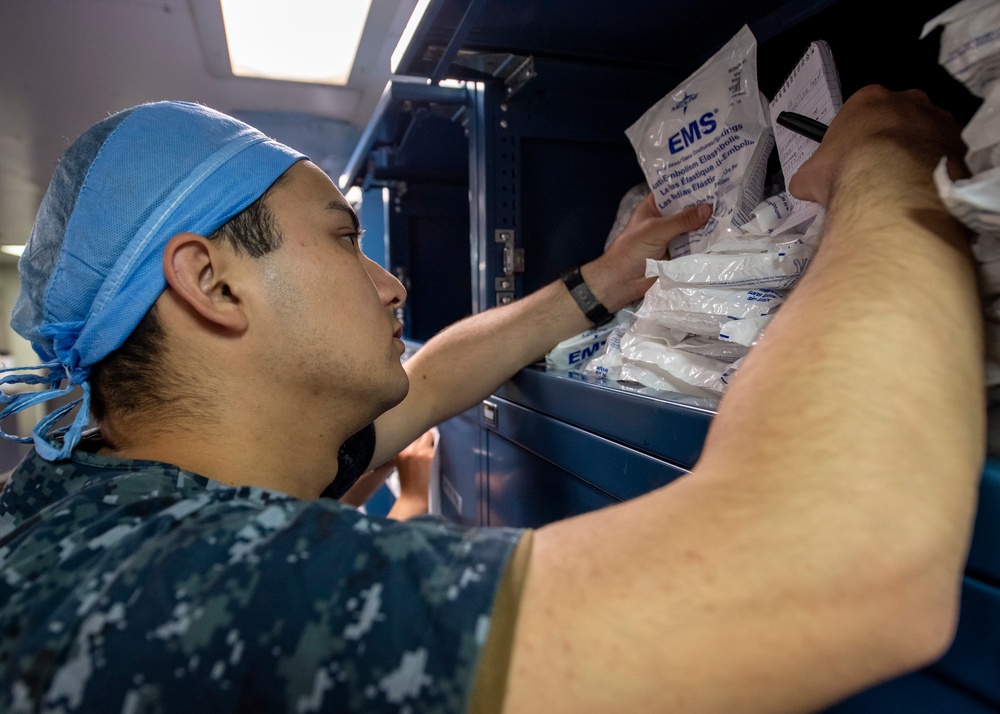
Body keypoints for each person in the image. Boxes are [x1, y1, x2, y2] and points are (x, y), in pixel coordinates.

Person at [0, 84, 983, 713]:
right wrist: (888, 168)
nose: (391, 284)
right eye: (344, 239)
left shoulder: (122, 491)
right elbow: (844, 563)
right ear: (211, 284)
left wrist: (597, 283)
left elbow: (429, 381)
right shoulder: (187, 584)